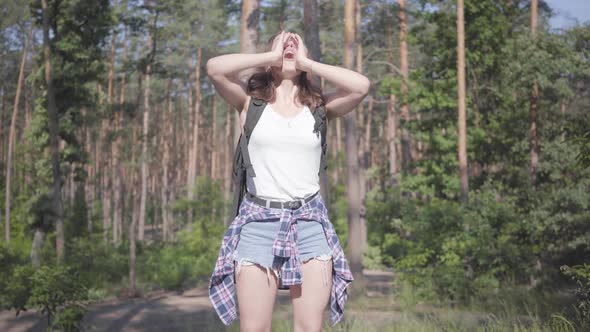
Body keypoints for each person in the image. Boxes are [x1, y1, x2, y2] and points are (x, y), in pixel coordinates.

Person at [207, 30, 370, 332]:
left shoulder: (318, 108)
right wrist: (272, 57)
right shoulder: (249, 103)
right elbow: (214, 68)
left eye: (297, 41)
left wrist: (308, 64)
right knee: (255, 328)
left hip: (309, 224)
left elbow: (361, 86)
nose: (289, 44)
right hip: (258, 224)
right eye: (282, 42)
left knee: (309, 328)